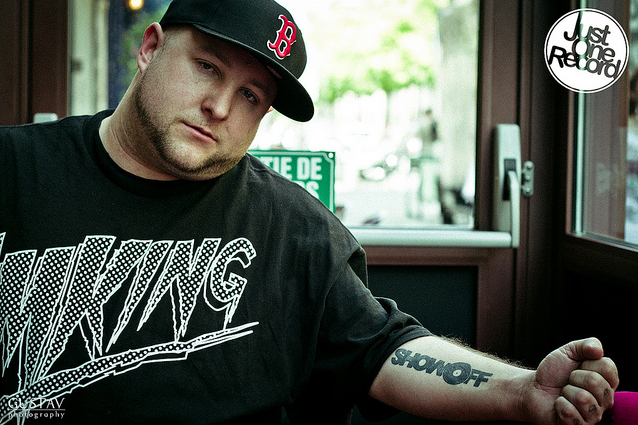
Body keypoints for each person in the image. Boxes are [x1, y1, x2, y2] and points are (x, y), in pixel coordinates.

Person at [0, 0, 618, 424]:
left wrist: (520, 392)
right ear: (151, 48)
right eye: (207, 67)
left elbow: (381, 349)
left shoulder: (292, 227)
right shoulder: (15, 171)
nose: (220, 106)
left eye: (250, 95)